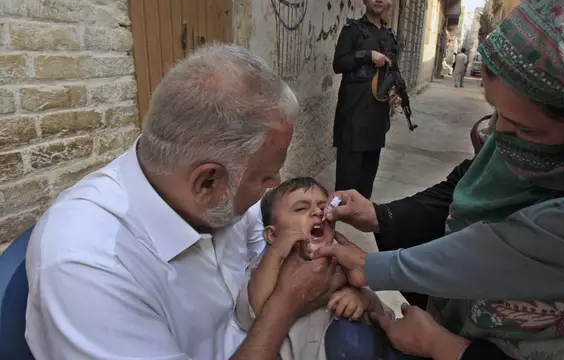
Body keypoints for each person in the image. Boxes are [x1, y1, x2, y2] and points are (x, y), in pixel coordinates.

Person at [315, 0, 564, 359]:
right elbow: (463, 187)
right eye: (495, 114)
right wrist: (380, 216)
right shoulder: (509, 144)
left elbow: (520, 249)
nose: (498, 138)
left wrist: (452, 350)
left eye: (524, 128)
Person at [24, 44, 341, 360]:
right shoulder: (88, 272)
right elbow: (281, 298)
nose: (276, 183)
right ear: (207, 182)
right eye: (265, 177)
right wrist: (285, 305)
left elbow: (269, 247)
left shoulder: (214, 192)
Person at [235, 177, 421, 360]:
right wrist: (275, 253)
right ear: (272, 235)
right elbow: (249, 316)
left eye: (323, 208)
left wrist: (363, 299)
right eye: (301, 208)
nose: (317, 212)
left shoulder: (342, 265)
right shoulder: (268, 268)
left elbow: (382, 316)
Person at [332, 0, 401, 204]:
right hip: (354, 111)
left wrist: (394, 92)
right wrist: (367, 55)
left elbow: (394, 71)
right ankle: (341, 211)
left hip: (377, 114)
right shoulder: (353, 30)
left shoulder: (390, 36)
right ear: (365, 0)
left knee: (369, 168)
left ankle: (361, 208)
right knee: (349, 168)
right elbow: (339, 63)